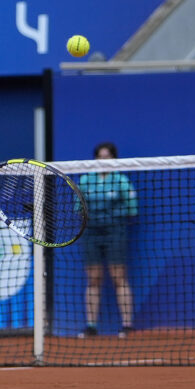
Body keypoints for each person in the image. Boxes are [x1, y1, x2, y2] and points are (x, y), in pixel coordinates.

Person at [78, 142, 137, 339]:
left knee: (119, 277)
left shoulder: (121, 180)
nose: (103, 160)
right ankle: (91, 326)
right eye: (100, 157)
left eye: (107, 157)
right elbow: (79, 208)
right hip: (91, 233)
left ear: (114, 159)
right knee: (93, 278)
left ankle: (127, 325)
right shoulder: (86, 180)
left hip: (115, 231)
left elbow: (132, 209)